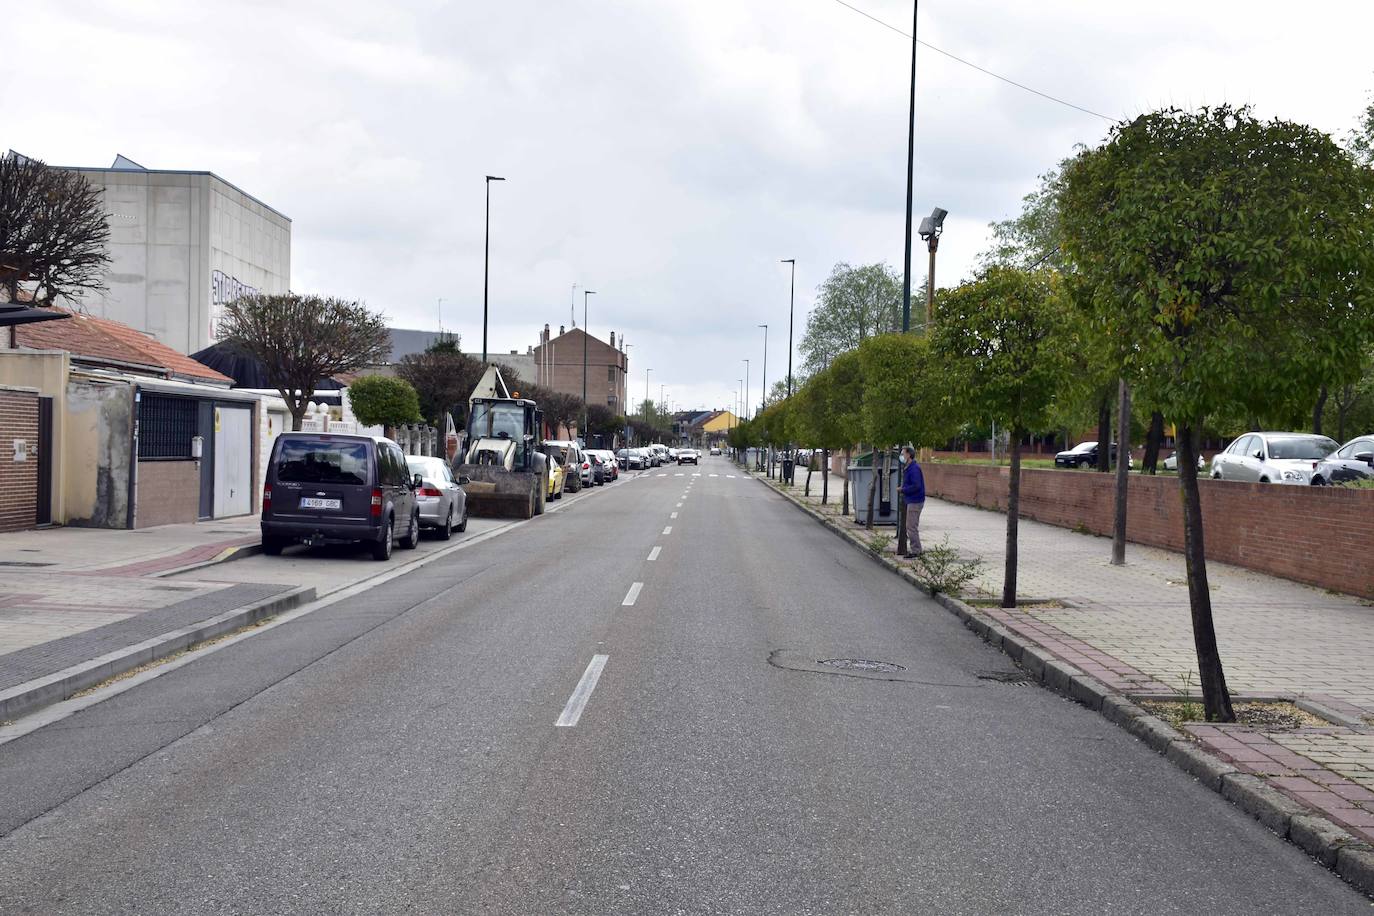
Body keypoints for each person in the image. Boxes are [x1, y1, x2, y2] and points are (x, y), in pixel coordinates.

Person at [899, 446, 925, 558]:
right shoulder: (909, 467)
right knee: (910, 526)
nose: (901, 456)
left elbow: (916, 485)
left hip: (915, 500)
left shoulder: (914, 468)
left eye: (903, 454)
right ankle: (916, 550)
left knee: (911, 527)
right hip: (912, 500)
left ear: (909, 455)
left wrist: (903, 489)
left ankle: (916, 551)